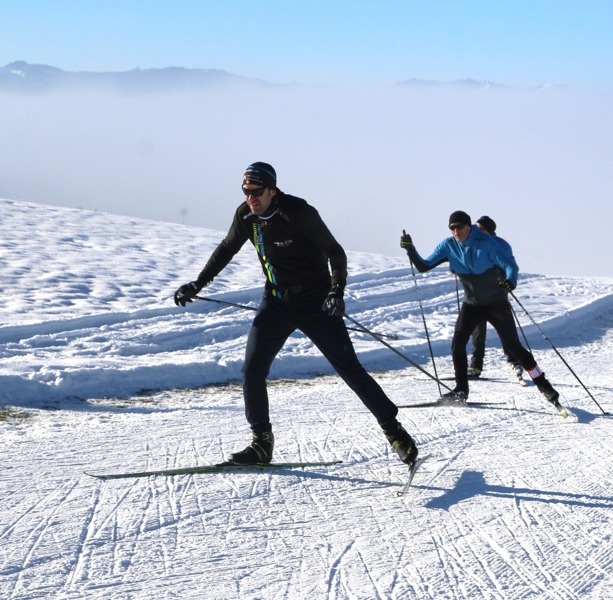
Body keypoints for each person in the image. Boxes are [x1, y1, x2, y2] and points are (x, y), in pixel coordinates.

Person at [173, 162, 418, 467]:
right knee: (252, 370)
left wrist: (336, 292)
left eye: (257, 192)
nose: (251, 197)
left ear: (272, 191)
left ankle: (396, 433)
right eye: (246, 191)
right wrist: (198, 282)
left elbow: (335, 252)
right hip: (276, 301)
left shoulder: (299, 212)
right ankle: (261, 444)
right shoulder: (245, 215)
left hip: (316, 301)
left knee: (349, 369)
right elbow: (226, 248)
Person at [400, 210, 562, 407]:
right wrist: (410, 249)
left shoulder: (487, 244)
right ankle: (461, 390)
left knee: (514, 346)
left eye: (459, 226)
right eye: (452, 227)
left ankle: (544, 385)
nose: (455, 231)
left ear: (469, 226)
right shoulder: (448, 245)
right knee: (457, 343)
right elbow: (424, 266)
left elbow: (510, 265)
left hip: (496, 303)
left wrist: (510, 281)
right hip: (472, 304)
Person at [465, 215, 524, 382]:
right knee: (478, 332)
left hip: (496, 294)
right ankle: (475, 367)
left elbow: (509, 265)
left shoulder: (501, 245)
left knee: (505, 331)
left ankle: (515, 361)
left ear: (489, 230)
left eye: (480, 228)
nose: (476, 231)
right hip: (476, 295)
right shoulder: (473, 243)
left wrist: (508, 281)